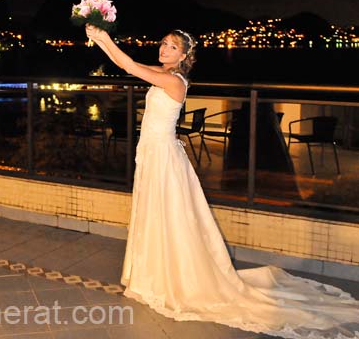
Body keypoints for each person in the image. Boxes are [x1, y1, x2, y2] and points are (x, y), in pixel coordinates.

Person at [85, 24, 359, 339]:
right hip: (153, 154)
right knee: (157, 216)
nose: (164, 49)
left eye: (172, 47)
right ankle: (155, 277)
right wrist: (100, 41)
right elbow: (128, 66)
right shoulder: (162, 72)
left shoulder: (174, 81)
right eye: (163, 43)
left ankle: (174, 280)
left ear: (184, 55)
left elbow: (128, 65)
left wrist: (106, 39)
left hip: (163, 157)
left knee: (170, 217)